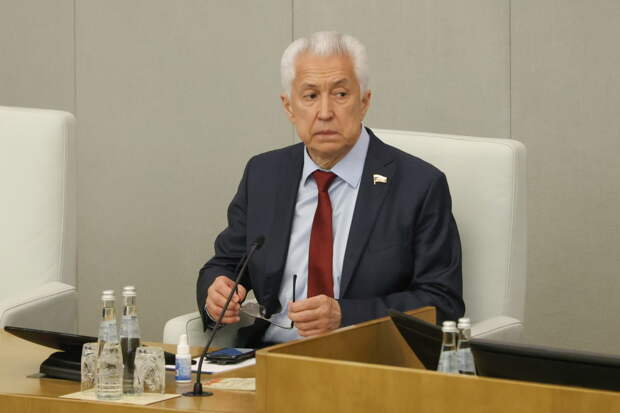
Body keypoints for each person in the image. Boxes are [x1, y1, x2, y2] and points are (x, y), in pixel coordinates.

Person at [197, 31, 464, 347]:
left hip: (367, 360)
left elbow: (442, 303)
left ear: (364, 102)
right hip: (270, 358)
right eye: (310, 96)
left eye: (340, 94)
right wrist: (217, 291)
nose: (325, 112)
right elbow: (226, 263)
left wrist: (344, 316)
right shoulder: (264, 174)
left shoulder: (419, 185)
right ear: (289, 107)